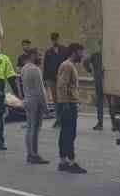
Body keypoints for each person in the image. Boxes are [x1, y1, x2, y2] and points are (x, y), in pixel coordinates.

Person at [55, 43, 87, 173]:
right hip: (68, 104)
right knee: (69, 133)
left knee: (65, 133)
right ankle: (71, 162)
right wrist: (66, 104)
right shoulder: (67, 66)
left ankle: (63, 161)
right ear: (74, 52)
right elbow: (62, 86)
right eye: (81, 52)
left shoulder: (68, 65)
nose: (82, 55)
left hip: (67, 103)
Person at [20, 50, 48, 164]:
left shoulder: (24, 68)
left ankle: (30, 154)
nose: (40, 58)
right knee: (35, 129)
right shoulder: (35, 70)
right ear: (32, 56)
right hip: (35, 101)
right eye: (39, 55)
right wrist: (45, 106)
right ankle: (34, 155)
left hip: (27, 99)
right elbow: (41, 90)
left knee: (30, 128)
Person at [42, 31, 65, 105]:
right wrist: (45, 79)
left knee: (62, 97)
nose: (54, 41)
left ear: (58, 39)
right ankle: (57, 113)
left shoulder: (64, 50)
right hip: (52, 78)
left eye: (56, 39)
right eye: (53, 39)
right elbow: (45, 65)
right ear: (51, 40)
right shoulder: (48, 52)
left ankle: (62, 113)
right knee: (55, 98)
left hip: (62, 77)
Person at [88, 46, 107, 130]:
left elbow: (85, 62)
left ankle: (100, 123)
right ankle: (115, 123)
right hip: (109, 81)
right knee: (112, 103)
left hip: (99, 80)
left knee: (100, 102)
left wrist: (91, 71)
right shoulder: (110, 54)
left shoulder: (95, 55)